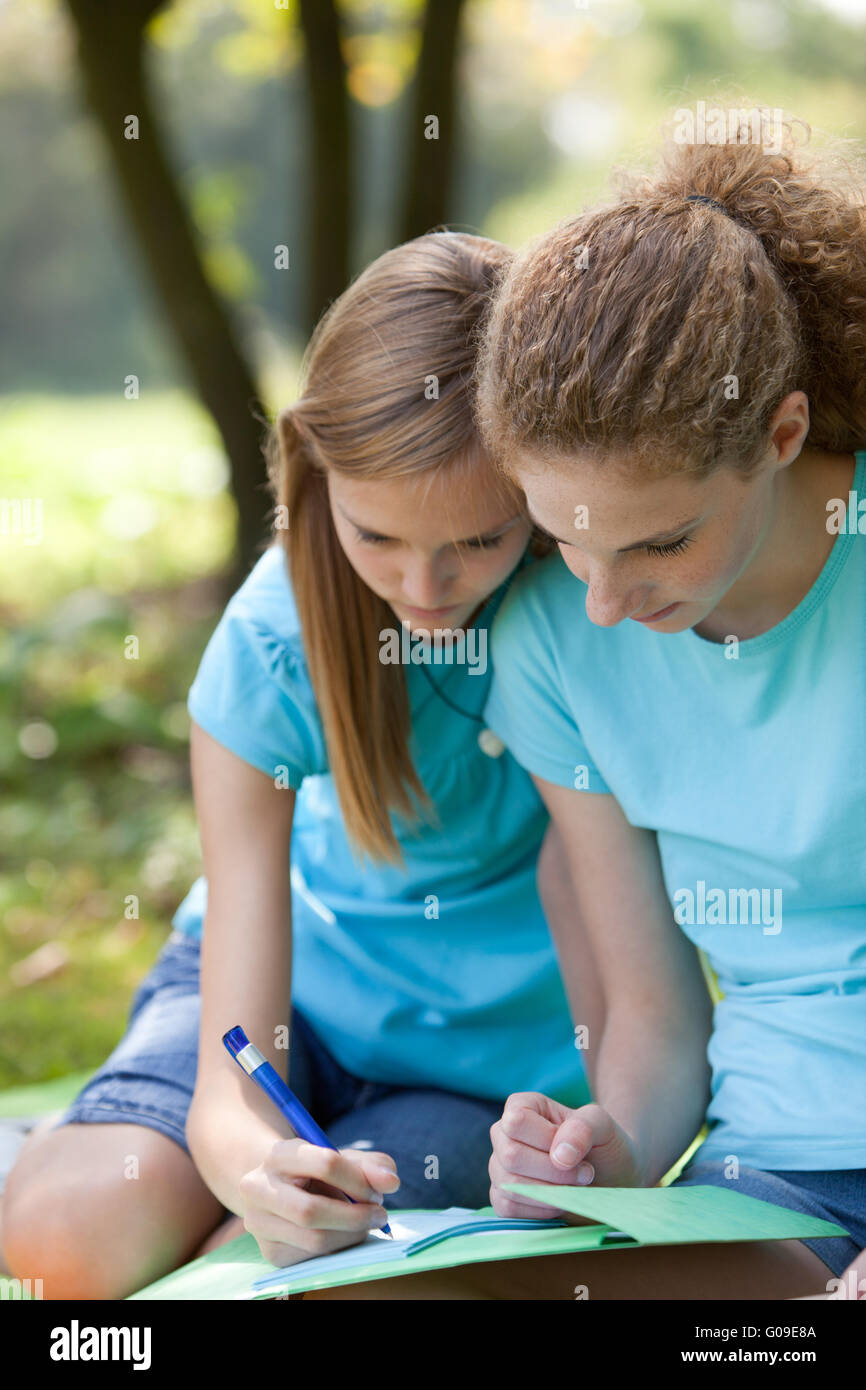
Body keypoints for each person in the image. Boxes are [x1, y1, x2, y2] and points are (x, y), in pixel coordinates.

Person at [301, 109, 866, 1301]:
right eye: (563, 541)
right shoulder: (553, 641)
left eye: (656, 541)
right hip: (783, 1177)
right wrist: (604, 1148)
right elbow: (655, 1018)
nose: (603, 603)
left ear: (781, 432)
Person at [0, 232, 602, 1300]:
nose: (424, 587)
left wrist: (267, 1206)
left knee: (325, 1268)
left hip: (476, 1069)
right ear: (314, 472)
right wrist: (242, 1157)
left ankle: (216, 1217)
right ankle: (79, 1148)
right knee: (69, 1242)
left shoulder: (589, 614)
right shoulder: (272, 641)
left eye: (476, 539)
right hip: (281, 1002)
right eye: (377, 536)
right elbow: (239, 1042)